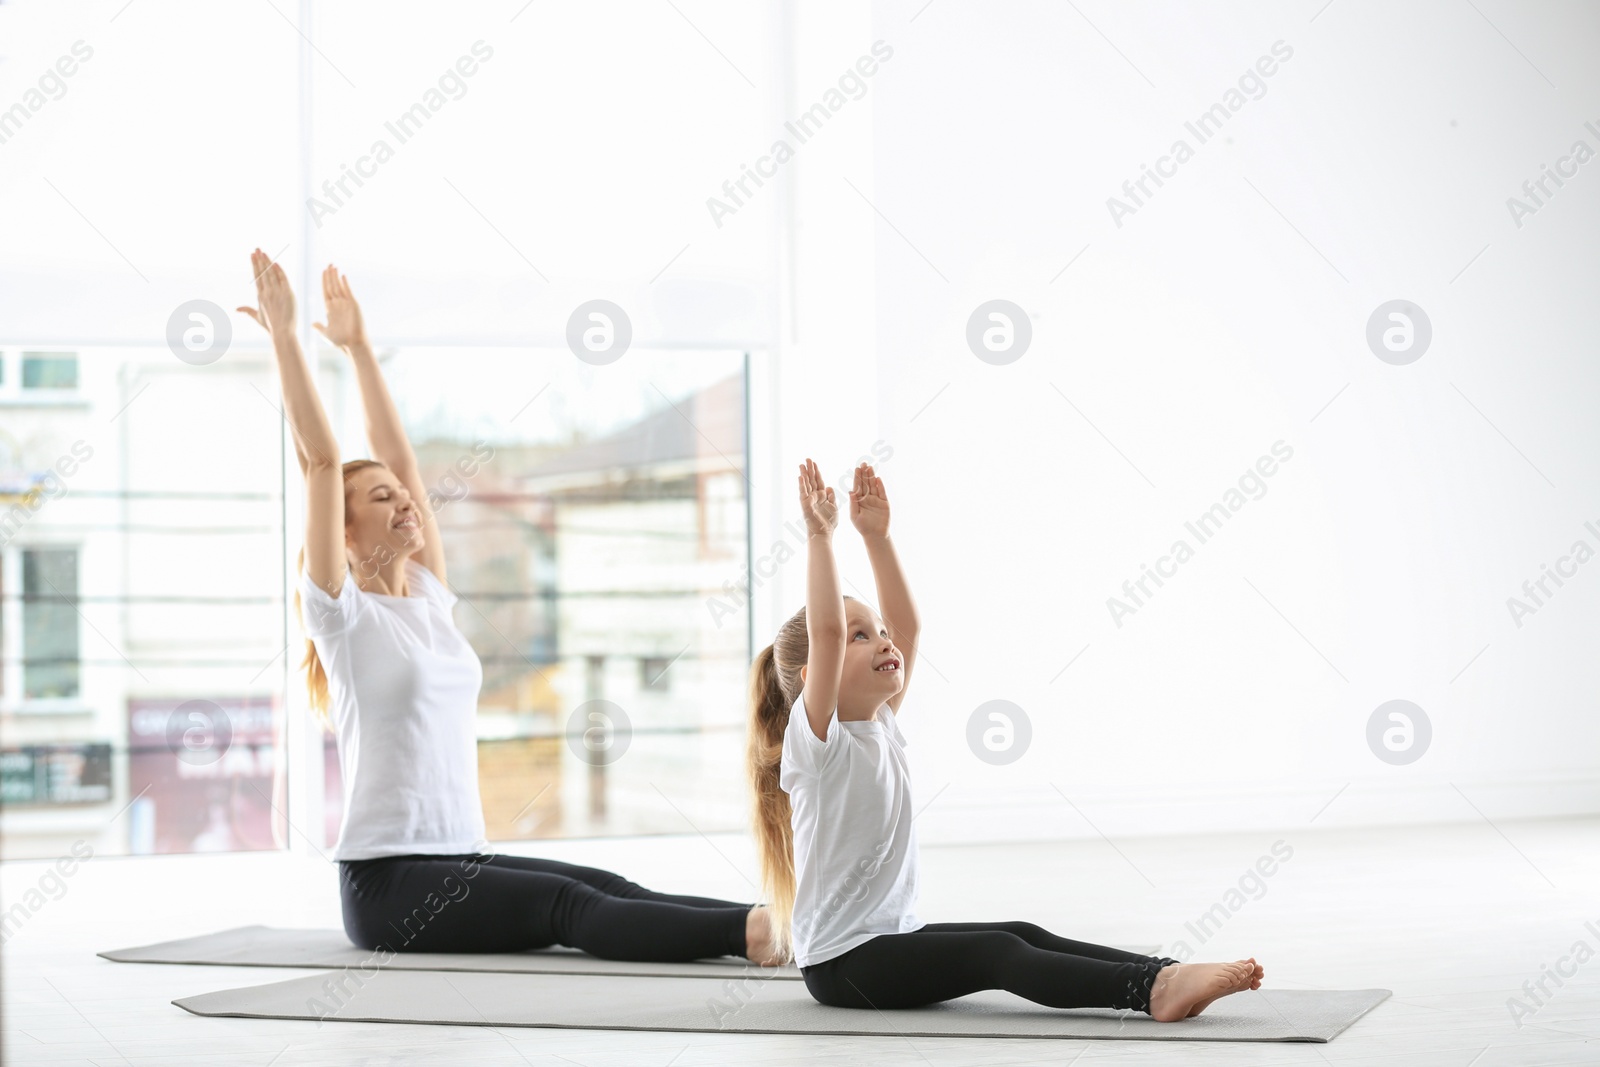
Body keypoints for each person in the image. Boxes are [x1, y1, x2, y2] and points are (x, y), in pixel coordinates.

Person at [240, 249, 781, 964]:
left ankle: (782, 918)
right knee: (568, 907)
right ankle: (752, 939)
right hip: (389, 884)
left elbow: (402, 460)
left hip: (458, 852)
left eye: (405, 498)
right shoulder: (342, 615)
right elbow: (317, 461)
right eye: (381, 500)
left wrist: (362, 349)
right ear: (342, 532)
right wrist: (284, 338)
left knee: (602, 880)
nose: (406, 501)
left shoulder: (427, 599)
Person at [745, 457, 1264, 1018]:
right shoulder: (820, 746)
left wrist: (878, 538)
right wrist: (821, 537)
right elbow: (824, 634)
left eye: (880, 633)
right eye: (861, 637)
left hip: (886, 942)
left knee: (1020, 930)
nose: (884, 642)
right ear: (814, 678)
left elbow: (909, 626)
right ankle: (1150, 994)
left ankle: (1164, 973)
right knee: (997, 952)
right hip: (844, 966)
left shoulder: (880, 725)